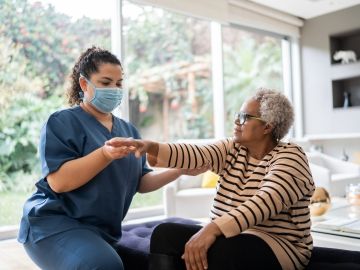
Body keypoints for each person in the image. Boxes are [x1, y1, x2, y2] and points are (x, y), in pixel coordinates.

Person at [17, 46, 207, 270]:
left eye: (119, 84)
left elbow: (140, 182)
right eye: (106, 83)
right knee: (105, 266)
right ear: (84, 84)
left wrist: (179, 171)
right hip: (54, 224)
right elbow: (59, 182)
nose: (114, 89)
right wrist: (104, 154)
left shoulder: (128, 131)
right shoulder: (61, 122)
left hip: (102, 230)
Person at [107, 88, 316, 270]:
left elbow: (265, 201)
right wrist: (150, 146)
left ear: (268, 127)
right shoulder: (232, 148)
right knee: (165, 234)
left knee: (224, 251)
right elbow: (196, 153)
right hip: (229, 236)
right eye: (237, 115)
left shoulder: (290, 156)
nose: (236, 121)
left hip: (278, 245)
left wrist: (212, 229)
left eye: (244, 117)